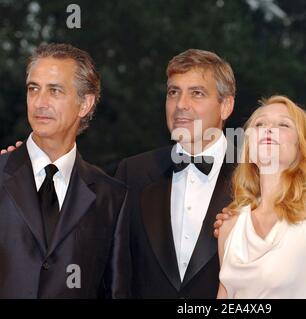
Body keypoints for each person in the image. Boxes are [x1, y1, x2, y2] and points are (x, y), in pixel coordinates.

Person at [0, 43, 130, 298]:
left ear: (85, 104)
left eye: (55, 91)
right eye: (33, 89)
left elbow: (114, 292)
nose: (39, 102)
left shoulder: (111, 198)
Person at [114, 49, 236, 298]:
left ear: (226, 106)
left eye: (197, 93)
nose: (181, 105)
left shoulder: (257, 176)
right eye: (173, 92)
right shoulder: (132, 172)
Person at [217, 95, 306, 299]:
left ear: (302, 148)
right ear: (249, 149)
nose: (269, 129)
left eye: (283, 125)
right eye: (260, 124)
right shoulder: (229, 225)